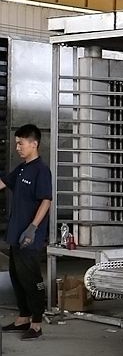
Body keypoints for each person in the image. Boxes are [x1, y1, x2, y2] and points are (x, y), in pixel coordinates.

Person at [0, 124, 53, 340]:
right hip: (16, 234)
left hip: (29, 237)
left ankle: (36, 323)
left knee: (31, 280)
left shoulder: (41, 170)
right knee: (16, 276)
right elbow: (3, 183)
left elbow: (46, 201)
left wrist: (33, 228)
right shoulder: (22, 169)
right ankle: (23, 318)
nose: (18, 148)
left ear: (34, 143)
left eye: (21, 143)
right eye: (16, 144)